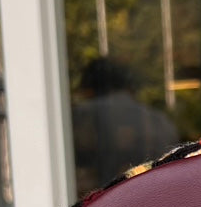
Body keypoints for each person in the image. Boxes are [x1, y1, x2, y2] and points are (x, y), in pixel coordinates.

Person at [71, 57, 179, 195]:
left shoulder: (83, 115)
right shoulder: (158, 120)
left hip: (106, 199)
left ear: (88, 88)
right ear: (128, 86)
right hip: (156, 194)